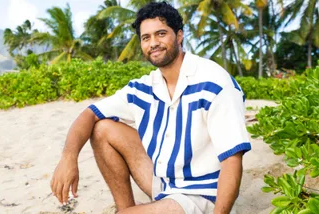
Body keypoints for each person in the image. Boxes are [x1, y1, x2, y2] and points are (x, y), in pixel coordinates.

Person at [51, 2, 251, 214]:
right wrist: (68, 158)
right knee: (102, 128)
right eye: (146, 38)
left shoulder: (214, 82)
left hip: (203, 194)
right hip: (166, 184)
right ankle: (126, 209)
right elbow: (89, 113)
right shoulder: (144, 87)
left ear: (179, 35)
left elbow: (232, 160)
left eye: (161, 34)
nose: (153, 43)